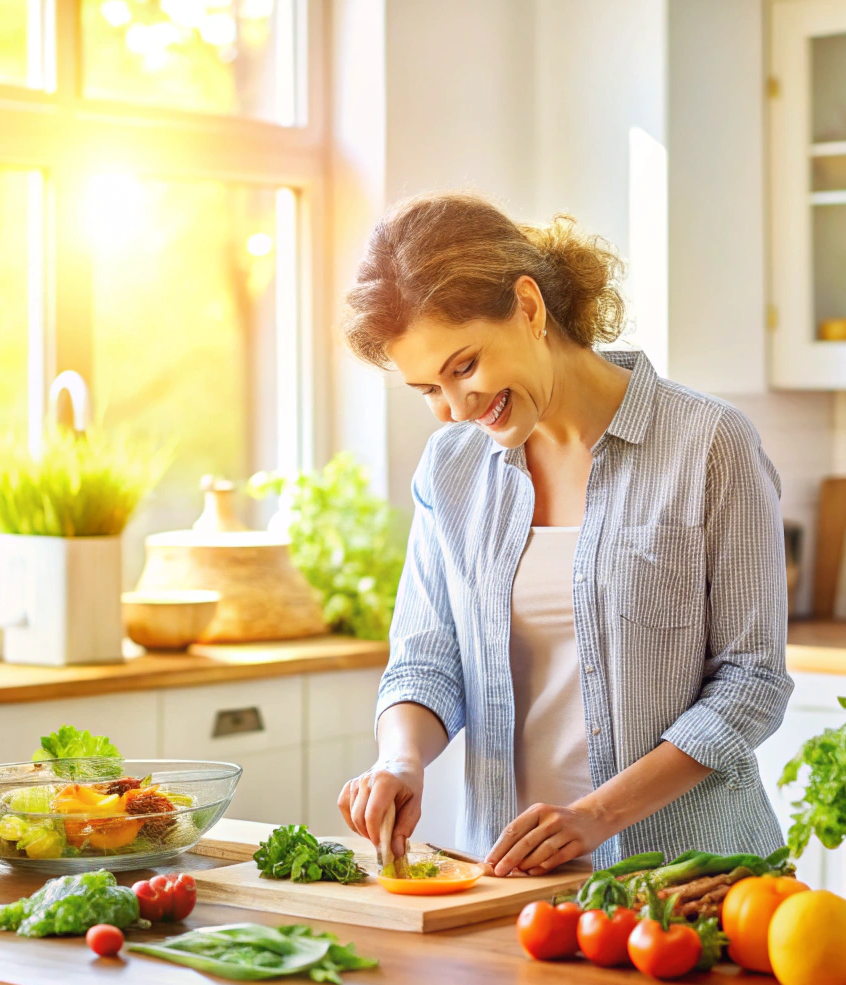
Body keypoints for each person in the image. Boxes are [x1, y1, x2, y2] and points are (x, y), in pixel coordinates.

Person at [336, 191, 790, 876]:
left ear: (528, 307)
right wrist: (400, 760)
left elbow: (751, 683)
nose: (454, 408)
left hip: (687, 880)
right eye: (427, 388)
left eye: (464, 367)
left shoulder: (707, 444)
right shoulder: (452, 467)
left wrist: (595, 817)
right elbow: (427, 659)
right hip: (507, 880)